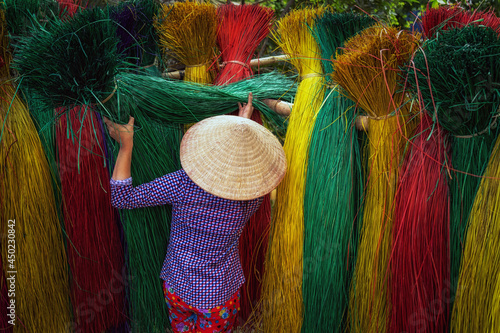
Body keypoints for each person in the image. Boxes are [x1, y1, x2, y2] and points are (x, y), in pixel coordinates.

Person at [104, 93, 286, 333]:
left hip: (178, 288)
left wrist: (126, 145)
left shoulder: (183, 183)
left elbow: (122, 197)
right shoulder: (251, 197)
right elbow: (250, 179)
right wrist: (243, 125)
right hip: (219, 298)